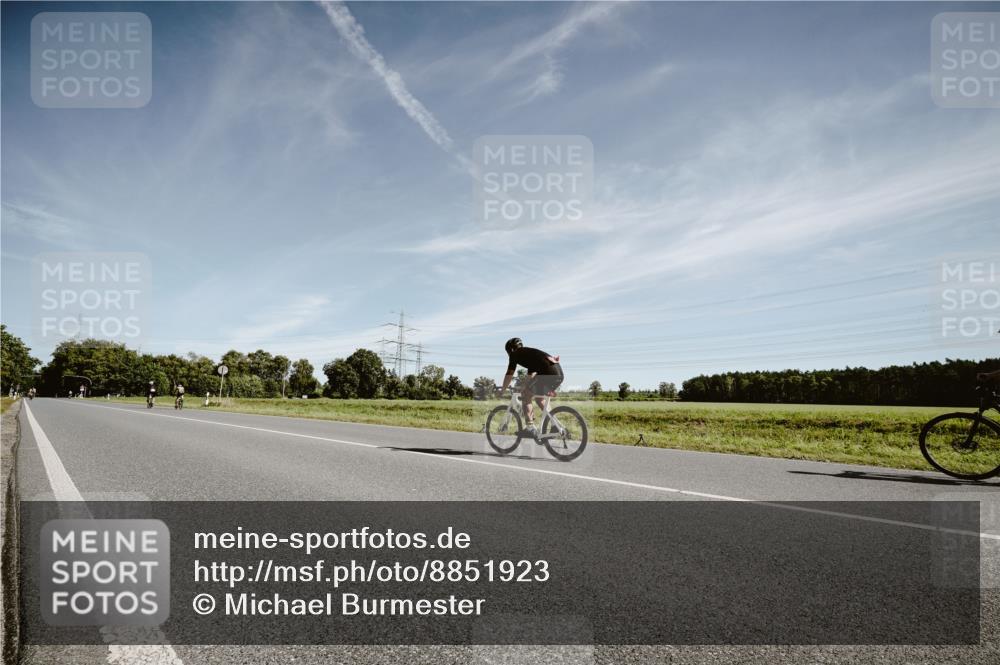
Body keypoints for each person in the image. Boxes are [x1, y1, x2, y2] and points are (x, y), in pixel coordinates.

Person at [499, 337, 563, 438]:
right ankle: (555, 425)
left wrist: (502, 390)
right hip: (558, 374)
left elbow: (509, 374)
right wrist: (523, 386)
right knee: (539, 399)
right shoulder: (529, 354)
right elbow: (530, 376)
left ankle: (530, 428)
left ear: (510, 350)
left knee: (526, 395)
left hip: (547, 373)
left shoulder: (515, 354)